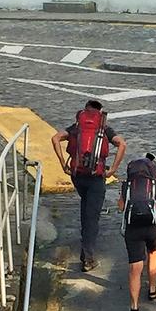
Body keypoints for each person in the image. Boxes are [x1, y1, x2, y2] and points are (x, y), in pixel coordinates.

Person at [51, 99, 127, 272]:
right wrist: (113, 168)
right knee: (92, 217)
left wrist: (63, 163)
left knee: (86, 207)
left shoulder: (76, 127)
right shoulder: (103, 129)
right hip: (96, 177)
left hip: (77, 176)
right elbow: (122, 144)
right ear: (100, 112)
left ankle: (85, 241)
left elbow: (55, 138)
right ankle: (88, 258)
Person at [118, 153, 156, 311]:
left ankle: (134, 307)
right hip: (152, 225)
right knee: (153, 253)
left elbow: (121, 207)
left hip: (133, 228)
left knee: (135, 268)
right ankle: (152, 289)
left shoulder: (127, 185)